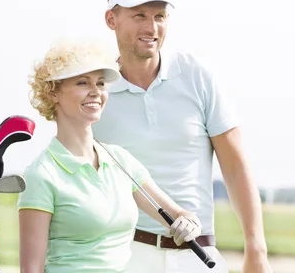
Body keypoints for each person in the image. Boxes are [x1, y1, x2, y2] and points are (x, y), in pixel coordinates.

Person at [92, 0, 273, 273]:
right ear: (112, 19)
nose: (152, 27)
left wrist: (257, 249)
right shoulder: (95, 88)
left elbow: (235, 164)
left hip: (198, 254)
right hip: (123, 256)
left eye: (160, 16)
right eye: (139, 15)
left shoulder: (197, 75)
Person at [17, 39, 204, 273]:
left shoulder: (120, 160)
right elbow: (30, 270)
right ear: (53, 92)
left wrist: (189, 222)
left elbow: (178, 213)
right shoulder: (42, 175)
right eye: (83, 82)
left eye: (101, 83)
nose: (96, 92)